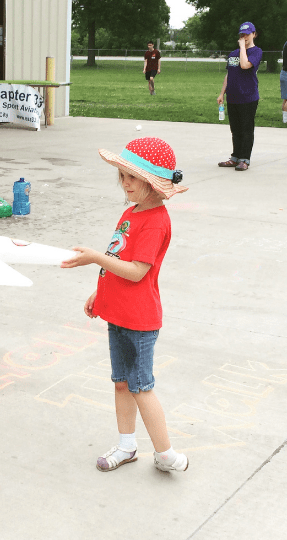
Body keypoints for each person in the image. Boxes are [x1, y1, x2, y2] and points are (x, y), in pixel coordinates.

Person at [61, 137, 189, 474]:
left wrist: (93, 257)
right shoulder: (131, 212)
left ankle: (165, 453)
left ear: (152, 183)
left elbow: (136, 272)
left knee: (141, 387)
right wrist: (99, 292)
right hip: (117, 314)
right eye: (122, 176)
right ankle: (126, 445)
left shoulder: (157, 221)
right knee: (121, 383)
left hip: (140, 319)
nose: (124, 183)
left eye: (132, 177)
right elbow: (118, 258)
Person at [217, 22, 262, 171]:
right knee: (235, 129)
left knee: (246, 129)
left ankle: (245, 159)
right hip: (233, 97)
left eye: (247, 34)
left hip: (248, 97)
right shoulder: (233, 54)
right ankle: (235, 157)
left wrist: (243, 47)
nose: (244, 37)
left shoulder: (256, 52)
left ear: (254, 34)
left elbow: (244, 65)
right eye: (242, 35)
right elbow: (229, 74)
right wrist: (222, 93)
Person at [281, 38, 287, 124]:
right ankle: (286, 120)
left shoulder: (286, 43)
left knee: (286, 99)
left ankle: (284, 119)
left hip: (283, 73)